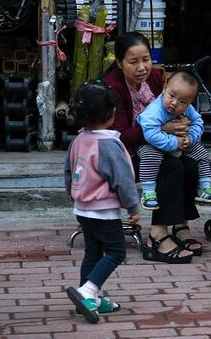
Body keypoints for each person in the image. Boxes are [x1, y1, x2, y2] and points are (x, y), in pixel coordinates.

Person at [102, 33, 205, 262]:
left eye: (146, 59)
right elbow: (121, 136)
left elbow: (178, 108)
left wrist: (183, 125)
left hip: (159, 147)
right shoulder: (113, 87)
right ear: (119, 63)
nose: (142, 67)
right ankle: (157, 236)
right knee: (171, 167)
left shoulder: (157, 79)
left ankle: (180, 225)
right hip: (125, 155)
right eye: (133, 62)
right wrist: (165, 129)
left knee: (189, 163)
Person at [64, 81, 141, 324]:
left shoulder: (79, 140)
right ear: (112, 114)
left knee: (93, 251)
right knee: (117, 252)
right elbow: (123, 179)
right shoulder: (109, 144)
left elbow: (68, 170)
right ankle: (88, 291)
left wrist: (74, 193)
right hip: (104, 210)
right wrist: (133, 207)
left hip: (83, 208)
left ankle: (89, 298)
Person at [135, 70, 211, 212]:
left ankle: (205, 187)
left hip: (177, 142)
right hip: (151, 144)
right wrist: (175, 142)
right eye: (171, 96)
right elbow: (150, 134)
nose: (174, 103)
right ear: (165, 88)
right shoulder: (154, 111)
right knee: (150, 155)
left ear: (190, 102)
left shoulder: (188, 108)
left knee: (201, 152)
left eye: (182, 101)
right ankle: (148, 192)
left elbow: (198, 122)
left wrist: (190, 138)